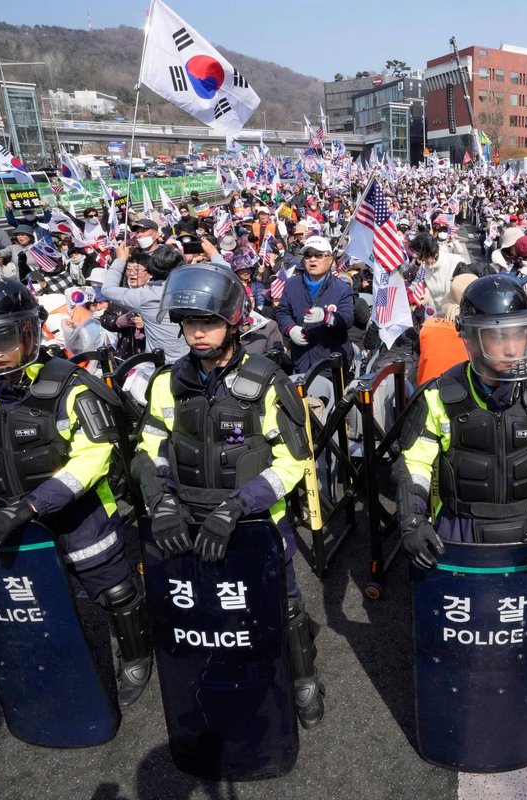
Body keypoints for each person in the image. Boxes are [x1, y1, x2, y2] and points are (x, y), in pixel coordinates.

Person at [0, 278, 152, 706]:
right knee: (33, 597)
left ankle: (136, 654)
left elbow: (94, 457)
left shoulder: (70, 385)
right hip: (9, 516)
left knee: (113, 591)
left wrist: (33, 505)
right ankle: (55, 663)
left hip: (79, 516)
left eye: (1, 338)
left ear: (28, 332)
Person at [135, 264, 325, 728]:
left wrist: (239, 506)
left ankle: (303, 677)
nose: (198, 333)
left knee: (284, 604)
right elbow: (149, 450)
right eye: (189, 323)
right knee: (208, 605)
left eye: (209, 322)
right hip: (188, 522)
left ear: (234, 321)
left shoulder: (268, 383)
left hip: (257, 524)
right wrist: (160, 502)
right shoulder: (166, 383)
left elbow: (293, 463)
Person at [392, 274, 527, 563]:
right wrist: (412, 520)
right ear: (469, 338)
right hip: (457, 531)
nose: (512, 348)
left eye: (519, 334)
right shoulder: (439, 396)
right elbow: (414, 464)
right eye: (498, 336)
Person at [275, 235, 355, 374]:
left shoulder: (342, 288)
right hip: (301, 359)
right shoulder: (291, 284)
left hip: (332, 363)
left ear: (330, 259)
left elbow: (347, 319)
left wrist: (327, 316)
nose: (312, 259)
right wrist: (291, 329)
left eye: (318, 255)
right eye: (308, 255)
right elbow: (282, 312)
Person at [100, 242, 188, 363]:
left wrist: (120, 259)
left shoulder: (145, 295)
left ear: (150, 271)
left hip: (165, 363)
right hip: (150, 361)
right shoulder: (191, 290)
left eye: (137, 270)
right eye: (128, 269)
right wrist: (120, 321)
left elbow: (107, 289)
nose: (132, 273)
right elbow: (105, 318)